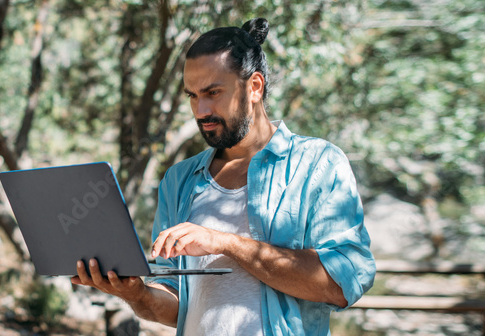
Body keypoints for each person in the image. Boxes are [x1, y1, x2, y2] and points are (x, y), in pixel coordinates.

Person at [70, 18, 375, 335]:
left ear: (254, 87)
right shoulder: (179, 180)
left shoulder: (318, 164)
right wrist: (135, 294)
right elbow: (178, 306)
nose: (201, 110)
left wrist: (223, 242)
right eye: (192, 95)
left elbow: (342, 283)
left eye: (213, 92)